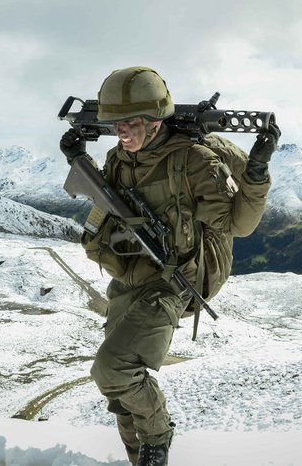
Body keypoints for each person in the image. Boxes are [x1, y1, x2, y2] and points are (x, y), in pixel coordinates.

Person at [59, 66, 279, 466]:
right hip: (131, 272)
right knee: (117, 390)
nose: (121, 133)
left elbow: (238, 225)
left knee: (112, 370)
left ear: (155, 120)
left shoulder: (193, 160)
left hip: (177, 278)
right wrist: (77, 158)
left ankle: (157, 439)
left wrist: (257, 173)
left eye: (130, 123)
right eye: (114, 125)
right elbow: (105, 200)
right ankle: (138, 459)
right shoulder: (119, 157)